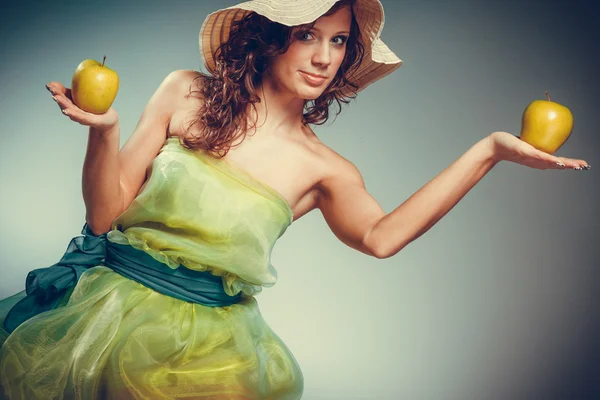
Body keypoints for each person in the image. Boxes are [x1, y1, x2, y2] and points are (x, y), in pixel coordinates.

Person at [0, 0, 590, 399]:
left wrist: (488, 150)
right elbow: (105, 215)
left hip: (212, 341)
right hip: (103, 309)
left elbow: (383, 239)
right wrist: (103, 131)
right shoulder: (184, 93)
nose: (324, 56)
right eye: (308, 35)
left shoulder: (324, 168)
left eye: (337, 42)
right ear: (269, 38)